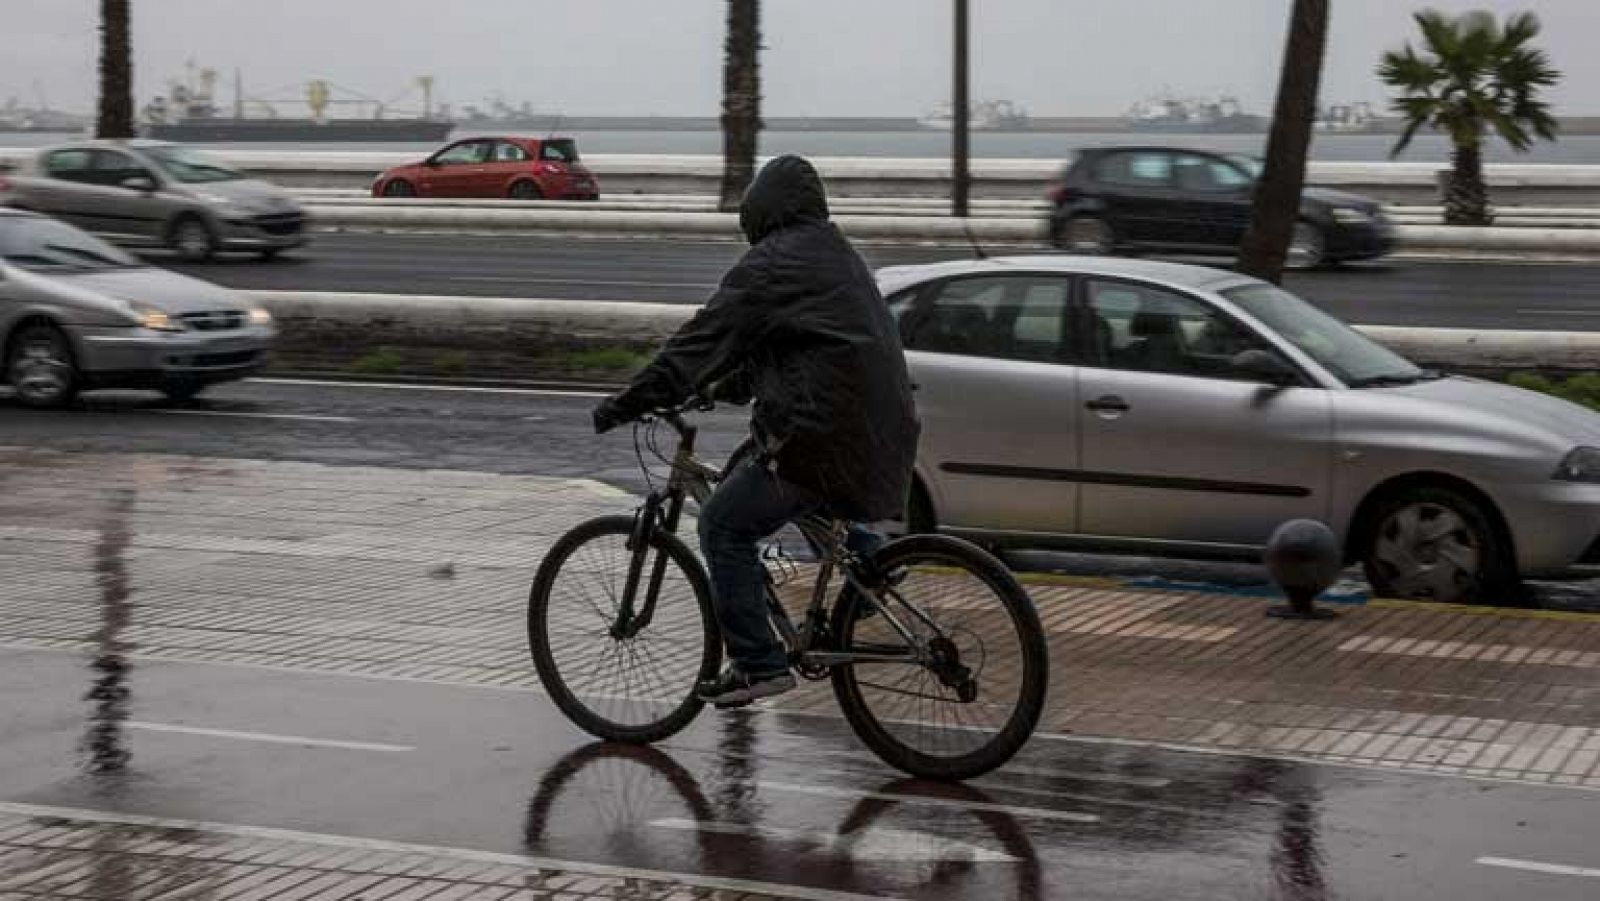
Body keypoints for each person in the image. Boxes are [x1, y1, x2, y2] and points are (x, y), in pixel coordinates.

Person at [592, 155, 920, 709]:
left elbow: (701, 341)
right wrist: (717, 390)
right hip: (881, 433)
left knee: (723, 524)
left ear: (760, 211)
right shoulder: (835, 254)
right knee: (759, 464)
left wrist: (632, 400)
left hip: (823, 437)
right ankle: (869, 560)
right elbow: (778, 354)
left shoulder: (771, 266)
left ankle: (757, 663)